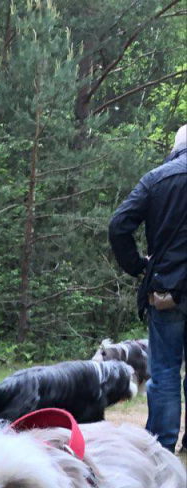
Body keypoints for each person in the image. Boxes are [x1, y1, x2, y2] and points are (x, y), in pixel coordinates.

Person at [109, 125, 187, 454]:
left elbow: (119, 224)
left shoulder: (157, 179)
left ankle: (161, 448)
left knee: (165, 370)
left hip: (167, 291)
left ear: (176, 146)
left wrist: (139, 265)